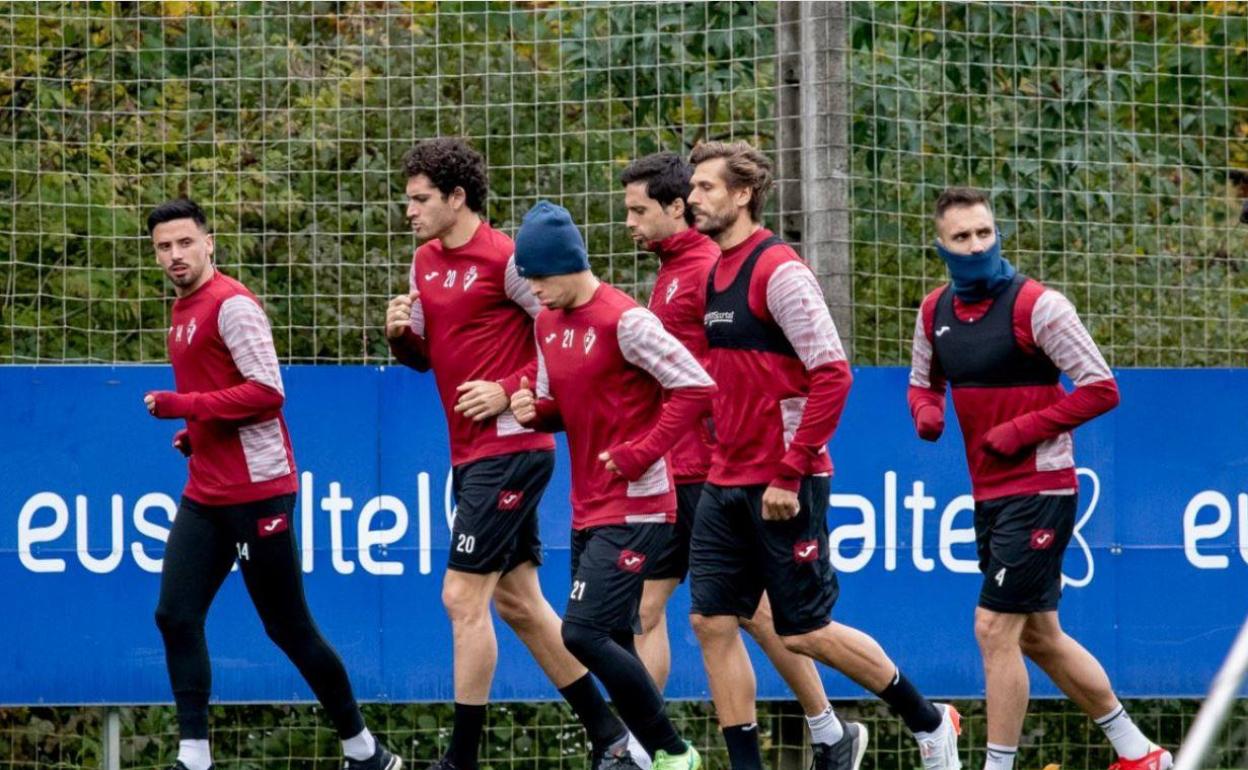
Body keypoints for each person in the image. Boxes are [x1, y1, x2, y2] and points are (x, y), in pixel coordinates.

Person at [685, 141, 962, 770]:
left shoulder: (779, 271)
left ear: (743, 195)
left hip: (784, 484)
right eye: (693, 188)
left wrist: (791, 467)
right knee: (710, 623)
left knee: (803, 629)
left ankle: (929, 719)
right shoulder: (712, 273)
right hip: (724, 478)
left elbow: (833, 374)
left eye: (705, 187)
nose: (693, 198)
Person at [384, 139, 641, 770]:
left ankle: (460, 760)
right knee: (519, 602)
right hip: (472, 452)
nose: (409, 212)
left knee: (460, 597)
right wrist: (402, 339)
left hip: (514, 447)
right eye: (408, 200)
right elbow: (430, 358)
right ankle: (613, 739)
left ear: (457, 198)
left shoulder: (506, 260)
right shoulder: (423, 262)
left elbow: (562, 332)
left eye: (420, 200)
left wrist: (509, 389)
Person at [908, 187, 1171, 770]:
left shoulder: (1039, 307)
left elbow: (1102, 387)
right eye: (962, 237)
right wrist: (926, 412)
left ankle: (996, 766)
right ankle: (1140, 753)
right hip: (989, 491)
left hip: (1042, 486)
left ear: (997, 232)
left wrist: (1023, 430)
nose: (976, 245)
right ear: (941, 245)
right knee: (1038, 636)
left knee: (993, 628)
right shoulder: (934, 311)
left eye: (984, 233)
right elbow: (923, 380)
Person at [143, 198, 399, 770]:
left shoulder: (231, 305)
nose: (175, 255)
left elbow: (267, 392)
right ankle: (194, 757)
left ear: (209, 243)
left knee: (287, 626)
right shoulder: (182, 309)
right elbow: (225, 395)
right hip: (206, 492)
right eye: (164, 246)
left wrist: (185, 407)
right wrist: (196, 433)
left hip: (260, 492)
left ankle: (364, 751)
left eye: (185, 243)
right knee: (174, 616)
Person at [620, 151, 845, 770]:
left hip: (708, 467)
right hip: (686, 467)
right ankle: (657, 748)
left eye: (642, 210)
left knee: (755, 615)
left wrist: (769, 459)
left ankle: (842, 728)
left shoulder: (709, 268)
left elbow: (750, 375)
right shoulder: (677, 268)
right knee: (676, 610)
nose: (631, 223)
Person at [508, 200, 712, 770]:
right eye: (527, 280)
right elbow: (559, 405)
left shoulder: (625, 320)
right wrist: (535, 412)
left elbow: (696, 388)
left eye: (541, 278)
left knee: (581, 633)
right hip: (587, 506)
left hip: (641, 506)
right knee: (615, 639)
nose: (536, 291)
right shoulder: (546, 322)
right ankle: (644, 756)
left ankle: (673, 753)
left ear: (570, 264)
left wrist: (642, 452)